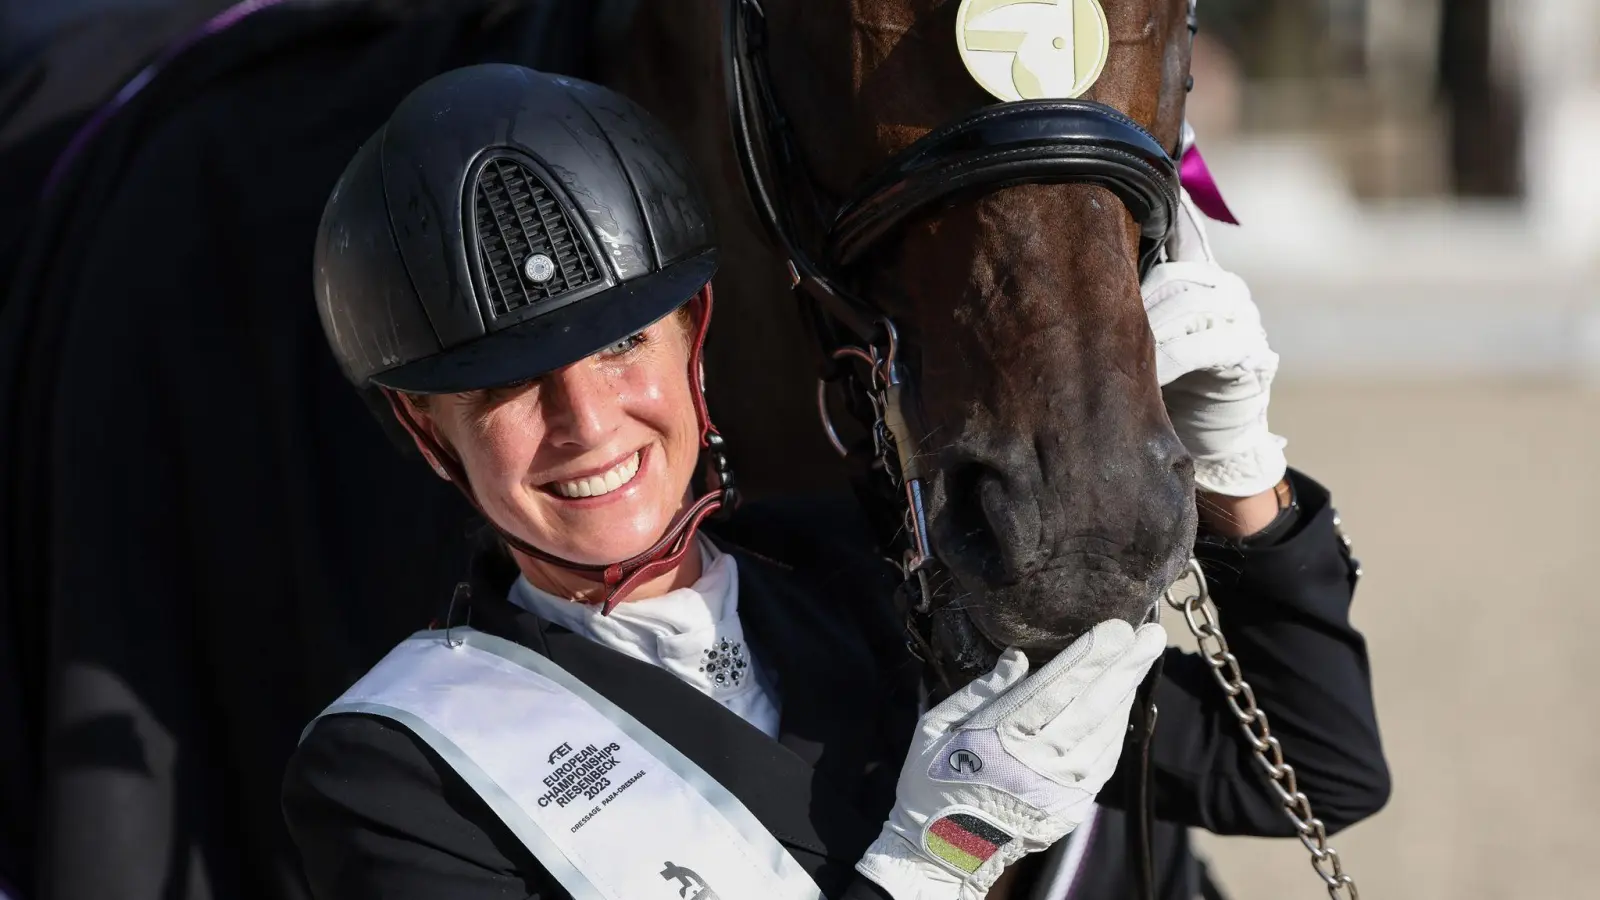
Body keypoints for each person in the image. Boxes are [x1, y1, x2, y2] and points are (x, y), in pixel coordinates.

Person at [283, 64, 1388, 900]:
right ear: (427, 433)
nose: (586, 424)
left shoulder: (886, 567)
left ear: (692, 336)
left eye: (622, 348)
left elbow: (1312, 766)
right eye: (506, 390)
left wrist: (1240, 469)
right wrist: (937, 858)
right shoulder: (400, 774)